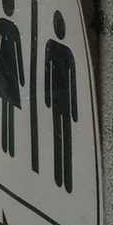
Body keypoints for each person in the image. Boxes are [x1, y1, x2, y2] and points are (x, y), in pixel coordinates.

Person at [44, 10, 78, 191]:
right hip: (59, 100)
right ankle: (60, 176)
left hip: (62, 100)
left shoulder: (65, 51)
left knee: (64, 136)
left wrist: (75, 109)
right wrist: (47, 97)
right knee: (60, 135)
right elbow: (47, 73)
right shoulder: (53, 47)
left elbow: (73, 82)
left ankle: (66, 178)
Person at [0, 0, 25, 157]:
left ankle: (10, 146)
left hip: (10, 71)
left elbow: (19, 54)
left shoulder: (13, 28)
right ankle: (5, 143)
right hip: (5, 69)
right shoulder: (2, 25)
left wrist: (22, 77)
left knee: (9, 104)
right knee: (5, 102)